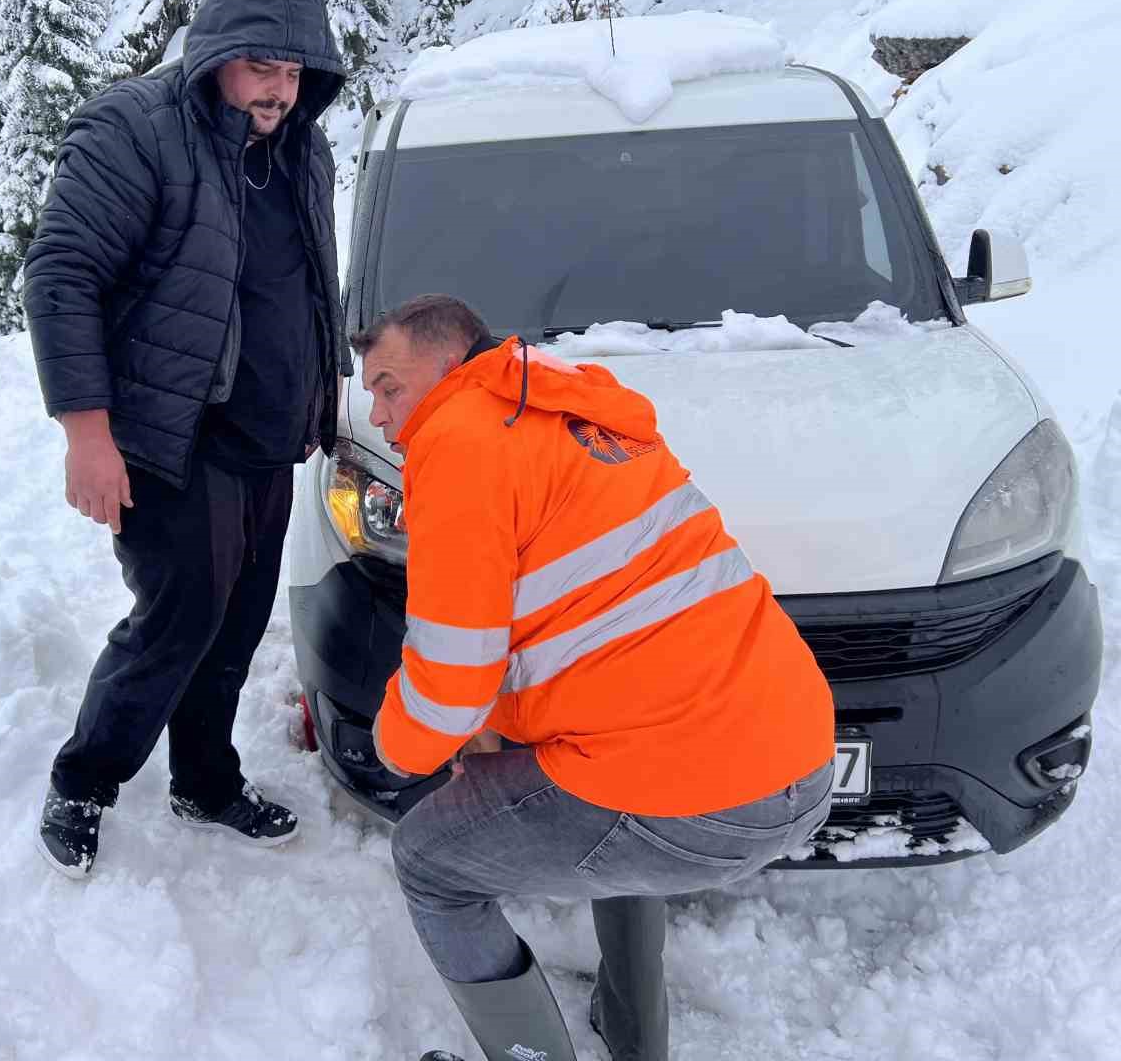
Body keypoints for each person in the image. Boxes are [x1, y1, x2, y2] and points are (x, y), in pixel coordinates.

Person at [352, 295, 835, 1061]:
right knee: (610, 777)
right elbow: (573, 617)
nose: (378, 414)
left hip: (704, 797)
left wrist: (394, 749)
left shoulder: (457, 441)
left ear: (447, 364)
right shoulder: (568, 412)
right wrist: (497, 728)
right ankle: (635, 1035)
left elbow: (451, 680)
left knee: (429, 862)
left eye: (388, 386)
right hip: (799, 757)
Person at [21, 0, 351, 876]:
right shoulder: (134, 130)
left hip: (268, 437)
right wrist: (87, 436)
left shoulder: (302, 146)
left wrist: (327, 391)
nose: (279, 89)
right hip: (173, 435)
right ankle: (85, 778)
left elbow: (306, 282)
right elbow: (61, 276)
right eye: (262, 66)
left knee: (239, 621)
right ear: (214, 53)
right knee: (177, 619)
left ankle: (203, 781)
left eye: (295, 71)